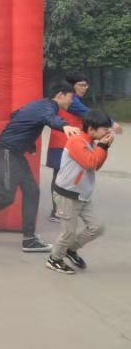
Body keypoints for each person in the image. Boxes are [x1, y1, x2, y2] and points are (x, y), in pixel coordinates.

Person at [0, 82, 81, 252]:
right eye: (70, 97)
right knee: (6, 196)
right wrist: (64, 125)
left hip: (14, 153)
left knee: (32, 191)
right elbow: (50, 118)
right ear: (60, 95)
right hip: (7, 152)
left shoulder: (39, 105)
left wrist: (28, 141)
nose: (72, 101)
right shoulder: (48, 107)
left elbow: (17, 114)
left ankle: (29, 239)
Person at [45, 72, 122, 222]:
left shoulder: (73, 99)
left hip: (71, 140)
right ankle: (58, 211)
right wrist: (111, 123)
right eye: (81, 85)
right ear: (72, 86)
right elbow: (88, 113)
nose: (85, 88)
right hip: (63, 141)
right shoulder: (71, 99)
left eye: (86, 85)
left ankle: (62, 209)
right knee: (61, 175)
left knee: (68, 175)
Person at [46, 111, 112, 274]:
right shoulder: (76, 141)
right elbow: (90, 163)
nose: (107, 133)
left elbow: (96, 164)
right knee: (68, 233)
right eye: (105, 129)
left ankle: (70, 249)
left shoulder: (91, 142)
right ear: (91, 129)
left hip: (82, 195)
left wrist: (103, 147)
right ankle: (54, 259)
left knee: (97, 227)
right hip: (67, 194)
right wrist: (102, 146)